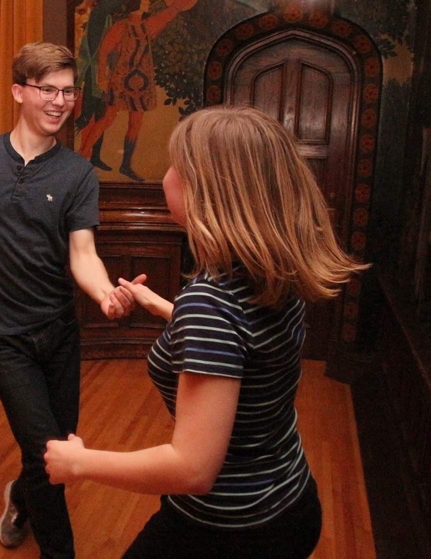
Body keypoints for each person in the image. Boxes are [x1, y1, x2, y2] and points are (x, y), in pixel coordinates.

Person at [44, 105, 371, 558]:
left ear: (210, 190)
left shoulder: (210, 303)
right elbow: (247, 345)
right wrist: (164, 307)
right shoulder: (273, 266)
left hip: (227, 530)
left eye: (178, 164)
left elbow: (193, 468)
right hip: (289, 501)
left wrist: (79, 463)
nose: (167, 175)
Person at [0, 42, 137, 559]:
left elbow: (84, 252)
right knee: (50, 452)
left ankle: (21, 499)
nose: (60, 101)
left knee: (57, 444)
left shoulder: (77, 173)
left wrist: (103, 294)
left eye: (68, 91)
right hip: (2, 335)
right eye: (48, 89)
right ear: (18, 92)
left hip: (59, 331)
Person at [77, 0, 197, 182]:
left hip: (141, 83)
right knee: (107, 118)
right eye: (145, 1)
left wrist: (178, 6)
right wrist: (102, 77)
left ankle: (126, 165)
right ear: (137, 5)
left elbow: (166, 16)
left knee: (136, 122)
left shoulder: (145, 26)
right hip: (121, 79)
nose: (148, 3)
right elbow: (103, 51)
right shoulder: (121, 27)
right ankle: (83, 154)